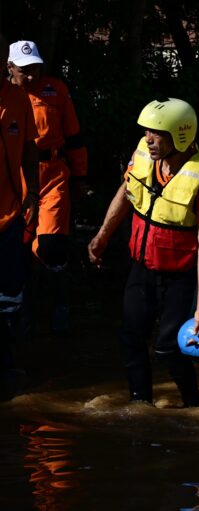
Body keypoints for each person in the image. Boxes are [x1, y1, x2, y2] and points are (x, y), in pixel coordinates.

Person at [87, 98, 199, 407]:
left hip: (180, 277)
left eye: (157, 133)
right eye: (147, 131)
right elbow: (125, 195)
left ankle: (194, 405)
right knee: (130, 339)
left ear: (180, 135)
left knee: (167, 348)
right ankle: (141, 406)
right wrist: (101, 237)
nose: (149, 139)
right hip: (142, 268)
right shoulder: (142, 154)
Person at [8, 40, 89, 333]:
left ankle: (60, 304)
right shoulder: (6, 96)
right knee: (18, 247)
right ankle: (24, 311)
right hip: (16, 180)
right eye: (24, 70)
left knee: (51, 245)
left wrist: (79, 177)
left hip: (53, 174)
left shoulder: (56, 91)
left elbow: (75, 136)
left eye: (35, 69)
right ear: (10, 68)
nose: (31, 76)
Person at [0, 33, 39, 400]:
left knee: (9, 296)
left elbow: (29, 150)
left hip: (9, 213)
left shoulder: (18, 101)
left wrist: (35, 198)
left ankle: (8, 362)